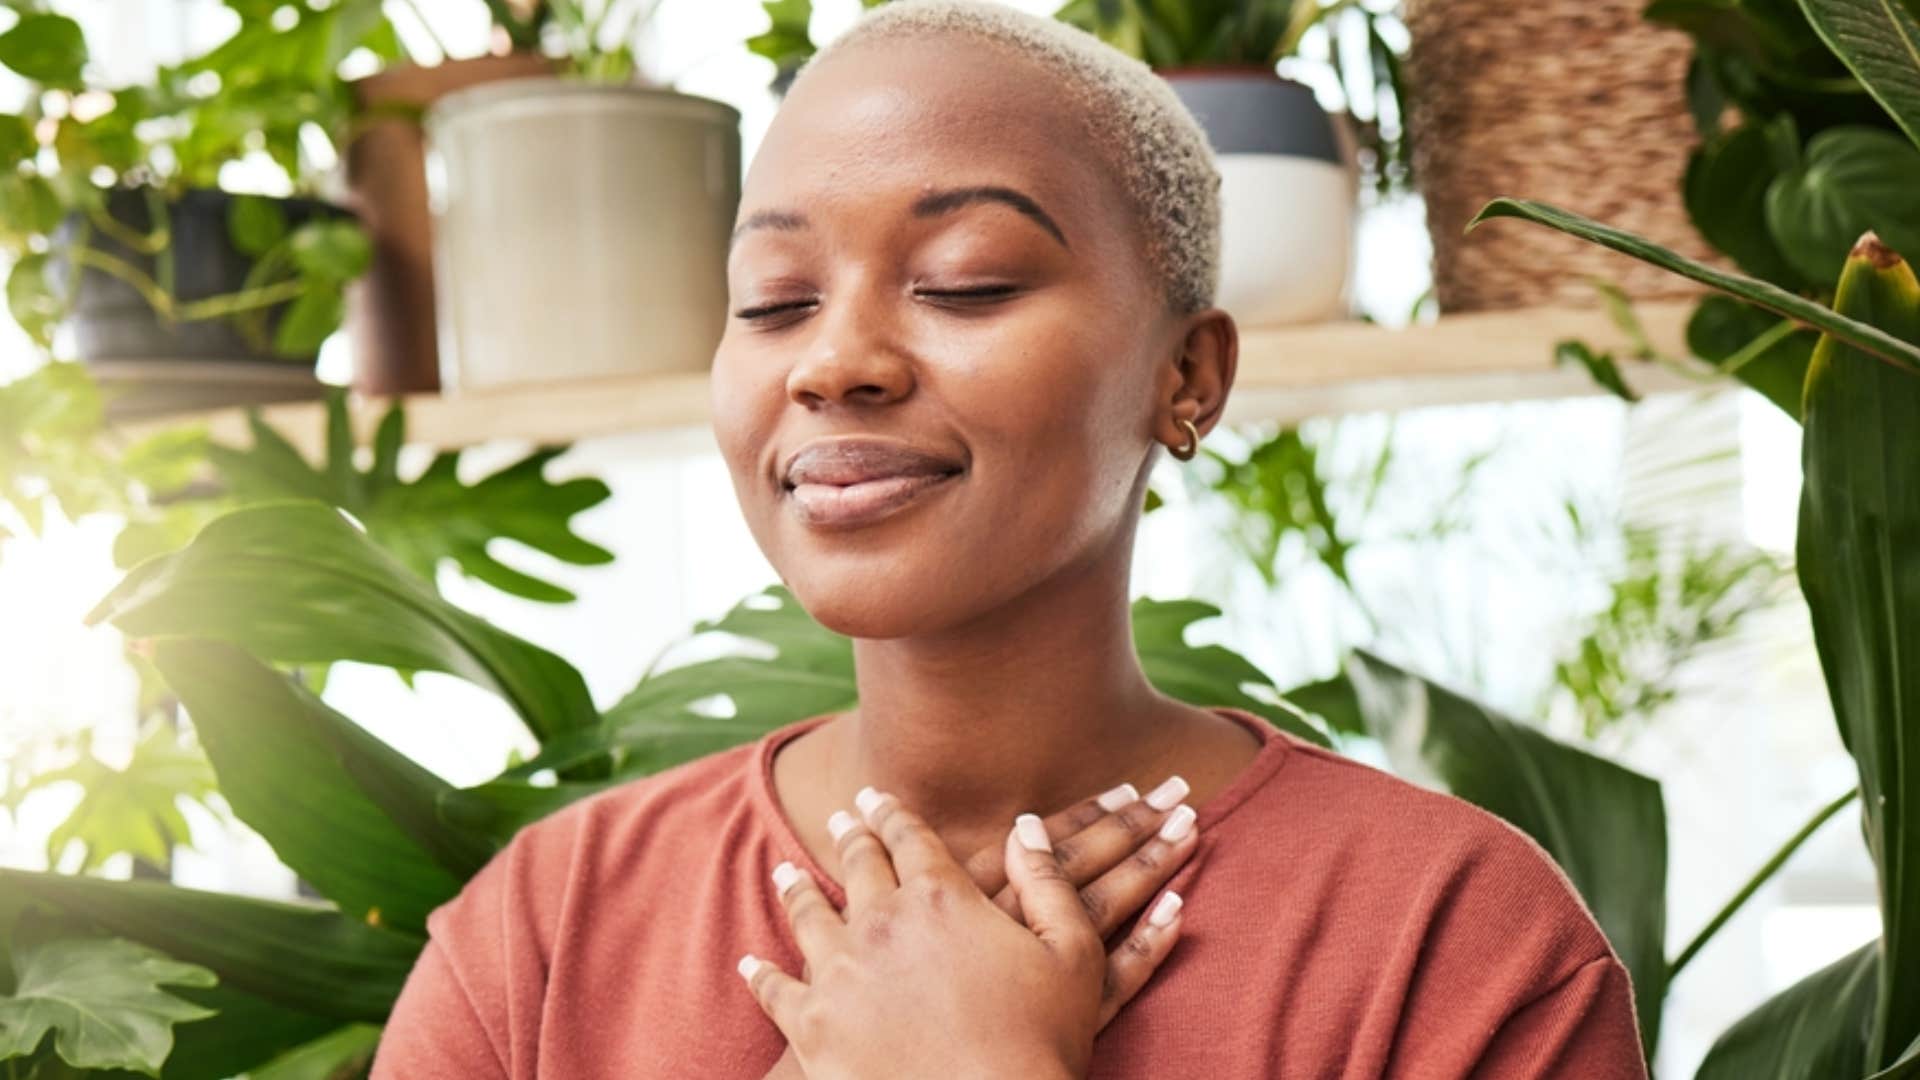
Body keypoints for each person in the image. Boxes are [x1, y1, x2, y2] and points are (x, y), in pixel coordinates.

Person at [368, 2, 1650, 1077]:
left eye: (966, 280)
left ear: (1186, 375)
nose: (836, 361)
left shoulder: (1456, 943)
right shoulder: (543, 933)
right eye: (773, 301)